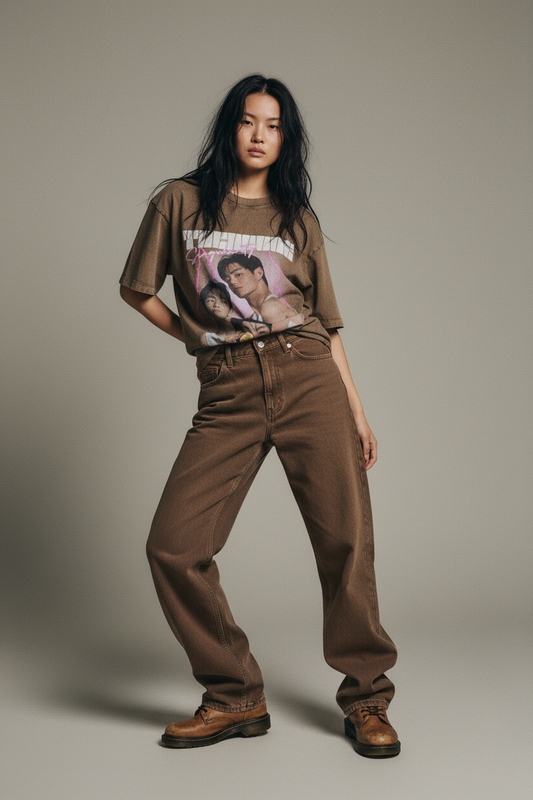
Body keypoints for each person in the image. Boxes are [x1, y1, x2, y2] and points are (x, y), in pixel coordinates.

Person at [119, 74, 400, 758]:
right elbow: (136, 289)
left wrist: (358, 413)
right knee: (174, 546)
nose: (258, 135)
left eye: (273, 126)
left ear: (285, 137)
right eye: (248, 121)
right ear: (229, 127)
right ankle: (234, 694)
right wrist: (197, 339)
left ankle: (366, 699)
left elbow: (326, 326)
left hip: (309, 380)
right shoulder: (179, 202)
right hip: (229, 392)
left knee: (345, 544)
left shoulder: (295, 220)